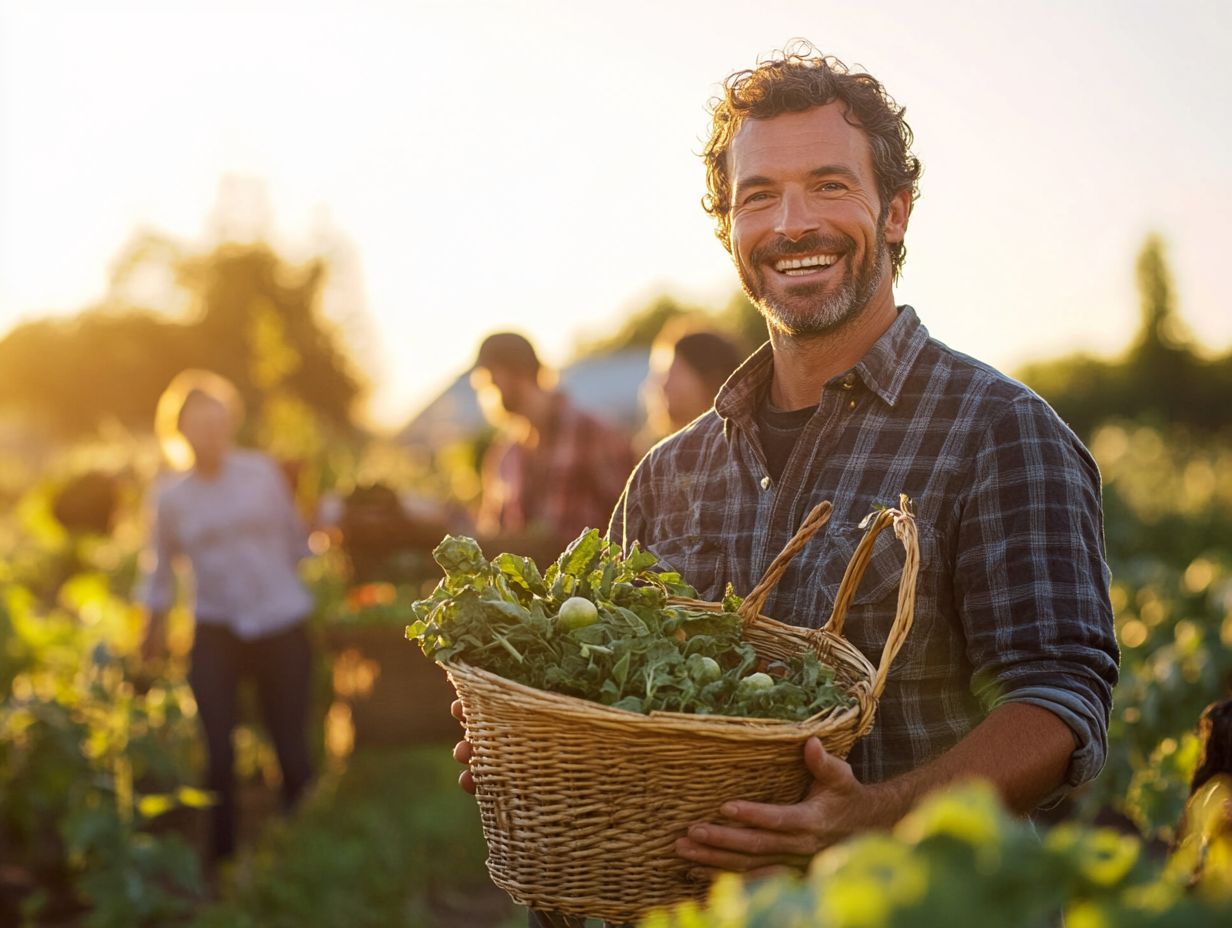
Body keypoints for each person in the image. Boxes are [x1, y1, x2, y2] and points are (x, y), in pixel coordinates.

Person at [457, 44, 1119, 924]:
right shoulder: (671, 472)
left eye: (829, 185)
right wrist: (543, 738)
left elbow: (1057, 701)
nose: (792, 223)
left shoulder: (999, 432)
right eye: (758, 196)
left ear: (895, 213)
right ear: (731, 230)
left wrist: (873, 818)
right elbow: (597, 688)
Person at [137, 370, 315, 863]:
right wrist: (150, 631)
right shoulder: (171, 498)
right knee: (218, 752)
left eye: (219, 423)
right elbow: (158, 575)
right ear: (180, 432)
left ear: (230, 425)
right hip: (216, 630)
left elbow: (298, 542)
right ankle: (222, 861)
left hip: (281, 622)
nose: (211, 434)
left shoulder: (262, 473)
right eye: (200, 425)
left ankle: (301, 848)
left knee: (290, 744)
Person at [470, 330, 636, 565]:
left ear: (516, 372)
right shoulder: (506, 455)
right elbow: (493, 535)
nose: (488, 389)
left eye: (490, 378)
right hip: (528, 599)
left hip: (593, 594)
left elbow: (632, 518)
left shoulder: (594, 434)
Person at [640, 320, 745, 444]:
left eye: (674, 373)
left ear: (711, 379)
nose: (663, 385)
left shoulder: (740, 445)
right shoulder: (657, 451)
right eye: (660, 375)